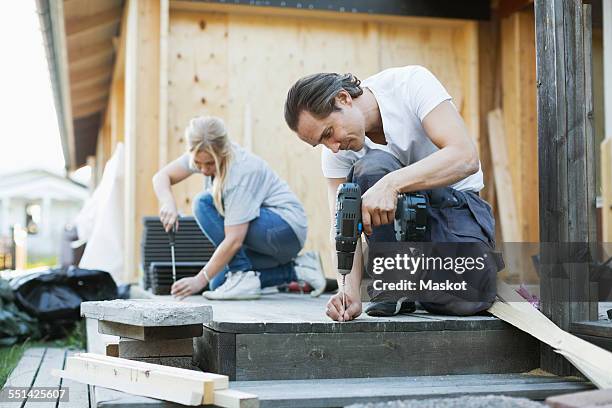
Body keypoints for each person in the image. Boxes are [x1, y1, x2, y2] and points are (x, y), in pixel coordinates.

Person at [284, 65, 498, 321]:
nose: (333, 148)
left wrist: (391, 185)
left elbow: (465, 158)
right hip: (397, 236)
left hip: (454, 207)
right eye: (322, 142)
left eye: (329, 132)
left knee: (468, 298)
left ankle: (416, 283)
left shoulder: (410, 84)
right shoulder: (338, 152)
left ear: (343, 98)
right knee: (372, 168)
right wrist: (347, 292)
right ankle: (395, 281)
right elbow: (341, 226)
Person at [152, 116, 325, 300]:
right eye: (198, 163)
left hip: (284, 230)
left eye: (209, 164)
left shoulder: (240, 173)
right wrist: (168, 202)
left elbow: (234, 240)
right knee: (218, 282)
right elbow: (161, 177)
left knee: (202, 204)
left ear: (223, 152)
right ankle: (300, 270)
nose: (203, 169)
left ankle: (242, 274)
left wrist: (198, 279)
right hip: (265, 237)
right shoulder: (203, 154)